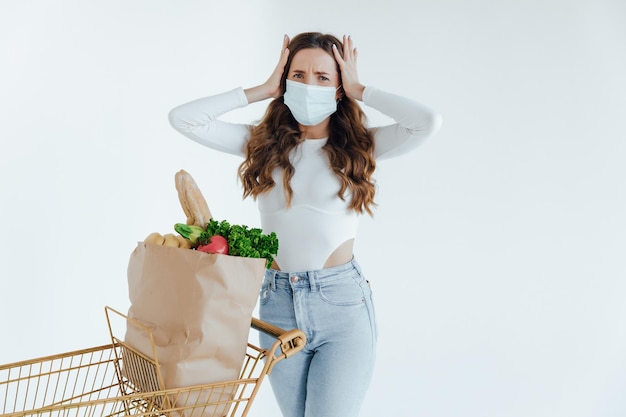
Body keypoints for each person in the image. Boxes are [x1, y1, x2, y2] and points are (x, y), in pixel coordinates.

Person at [168, 32, 442, 417]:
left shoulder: (361, 146)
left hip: (340, 307)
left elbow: (427, 122)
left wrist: (362, 88)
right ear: (284, 81)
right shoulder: (259, 144)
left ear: (339, 88)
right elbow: (183, 119)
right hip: (277, 307)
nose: (308, 84)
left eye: (323, 77)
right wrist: (261, 89)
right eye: (297, 75)